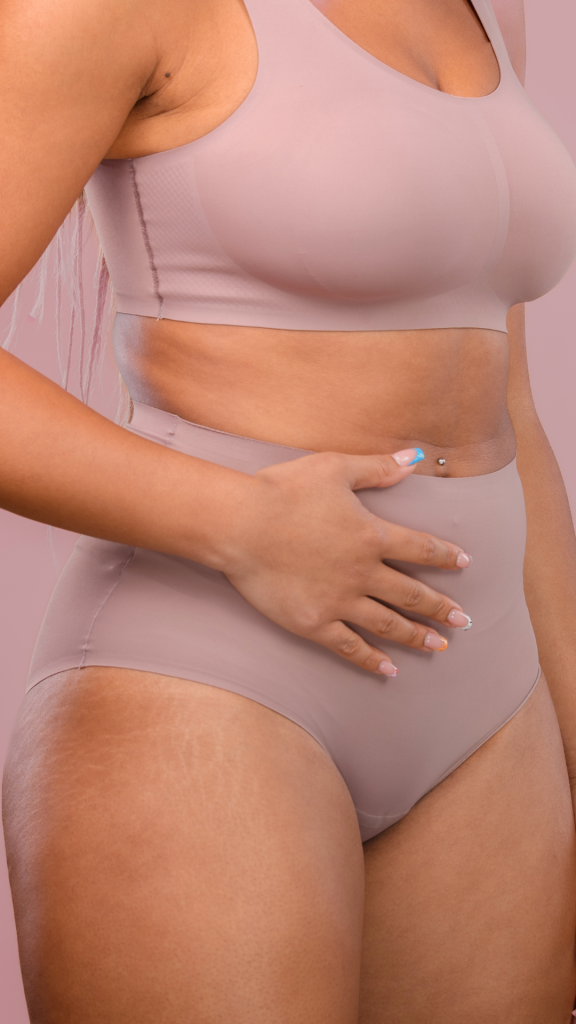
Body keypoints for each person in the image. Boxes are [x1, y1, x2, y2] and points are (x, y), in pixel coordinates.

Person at [2, 0, 576, 1019]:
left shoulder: (487, 10)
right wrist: (239, 522)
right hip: (210, 669)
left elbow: (511, 407)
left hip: (489, 699)